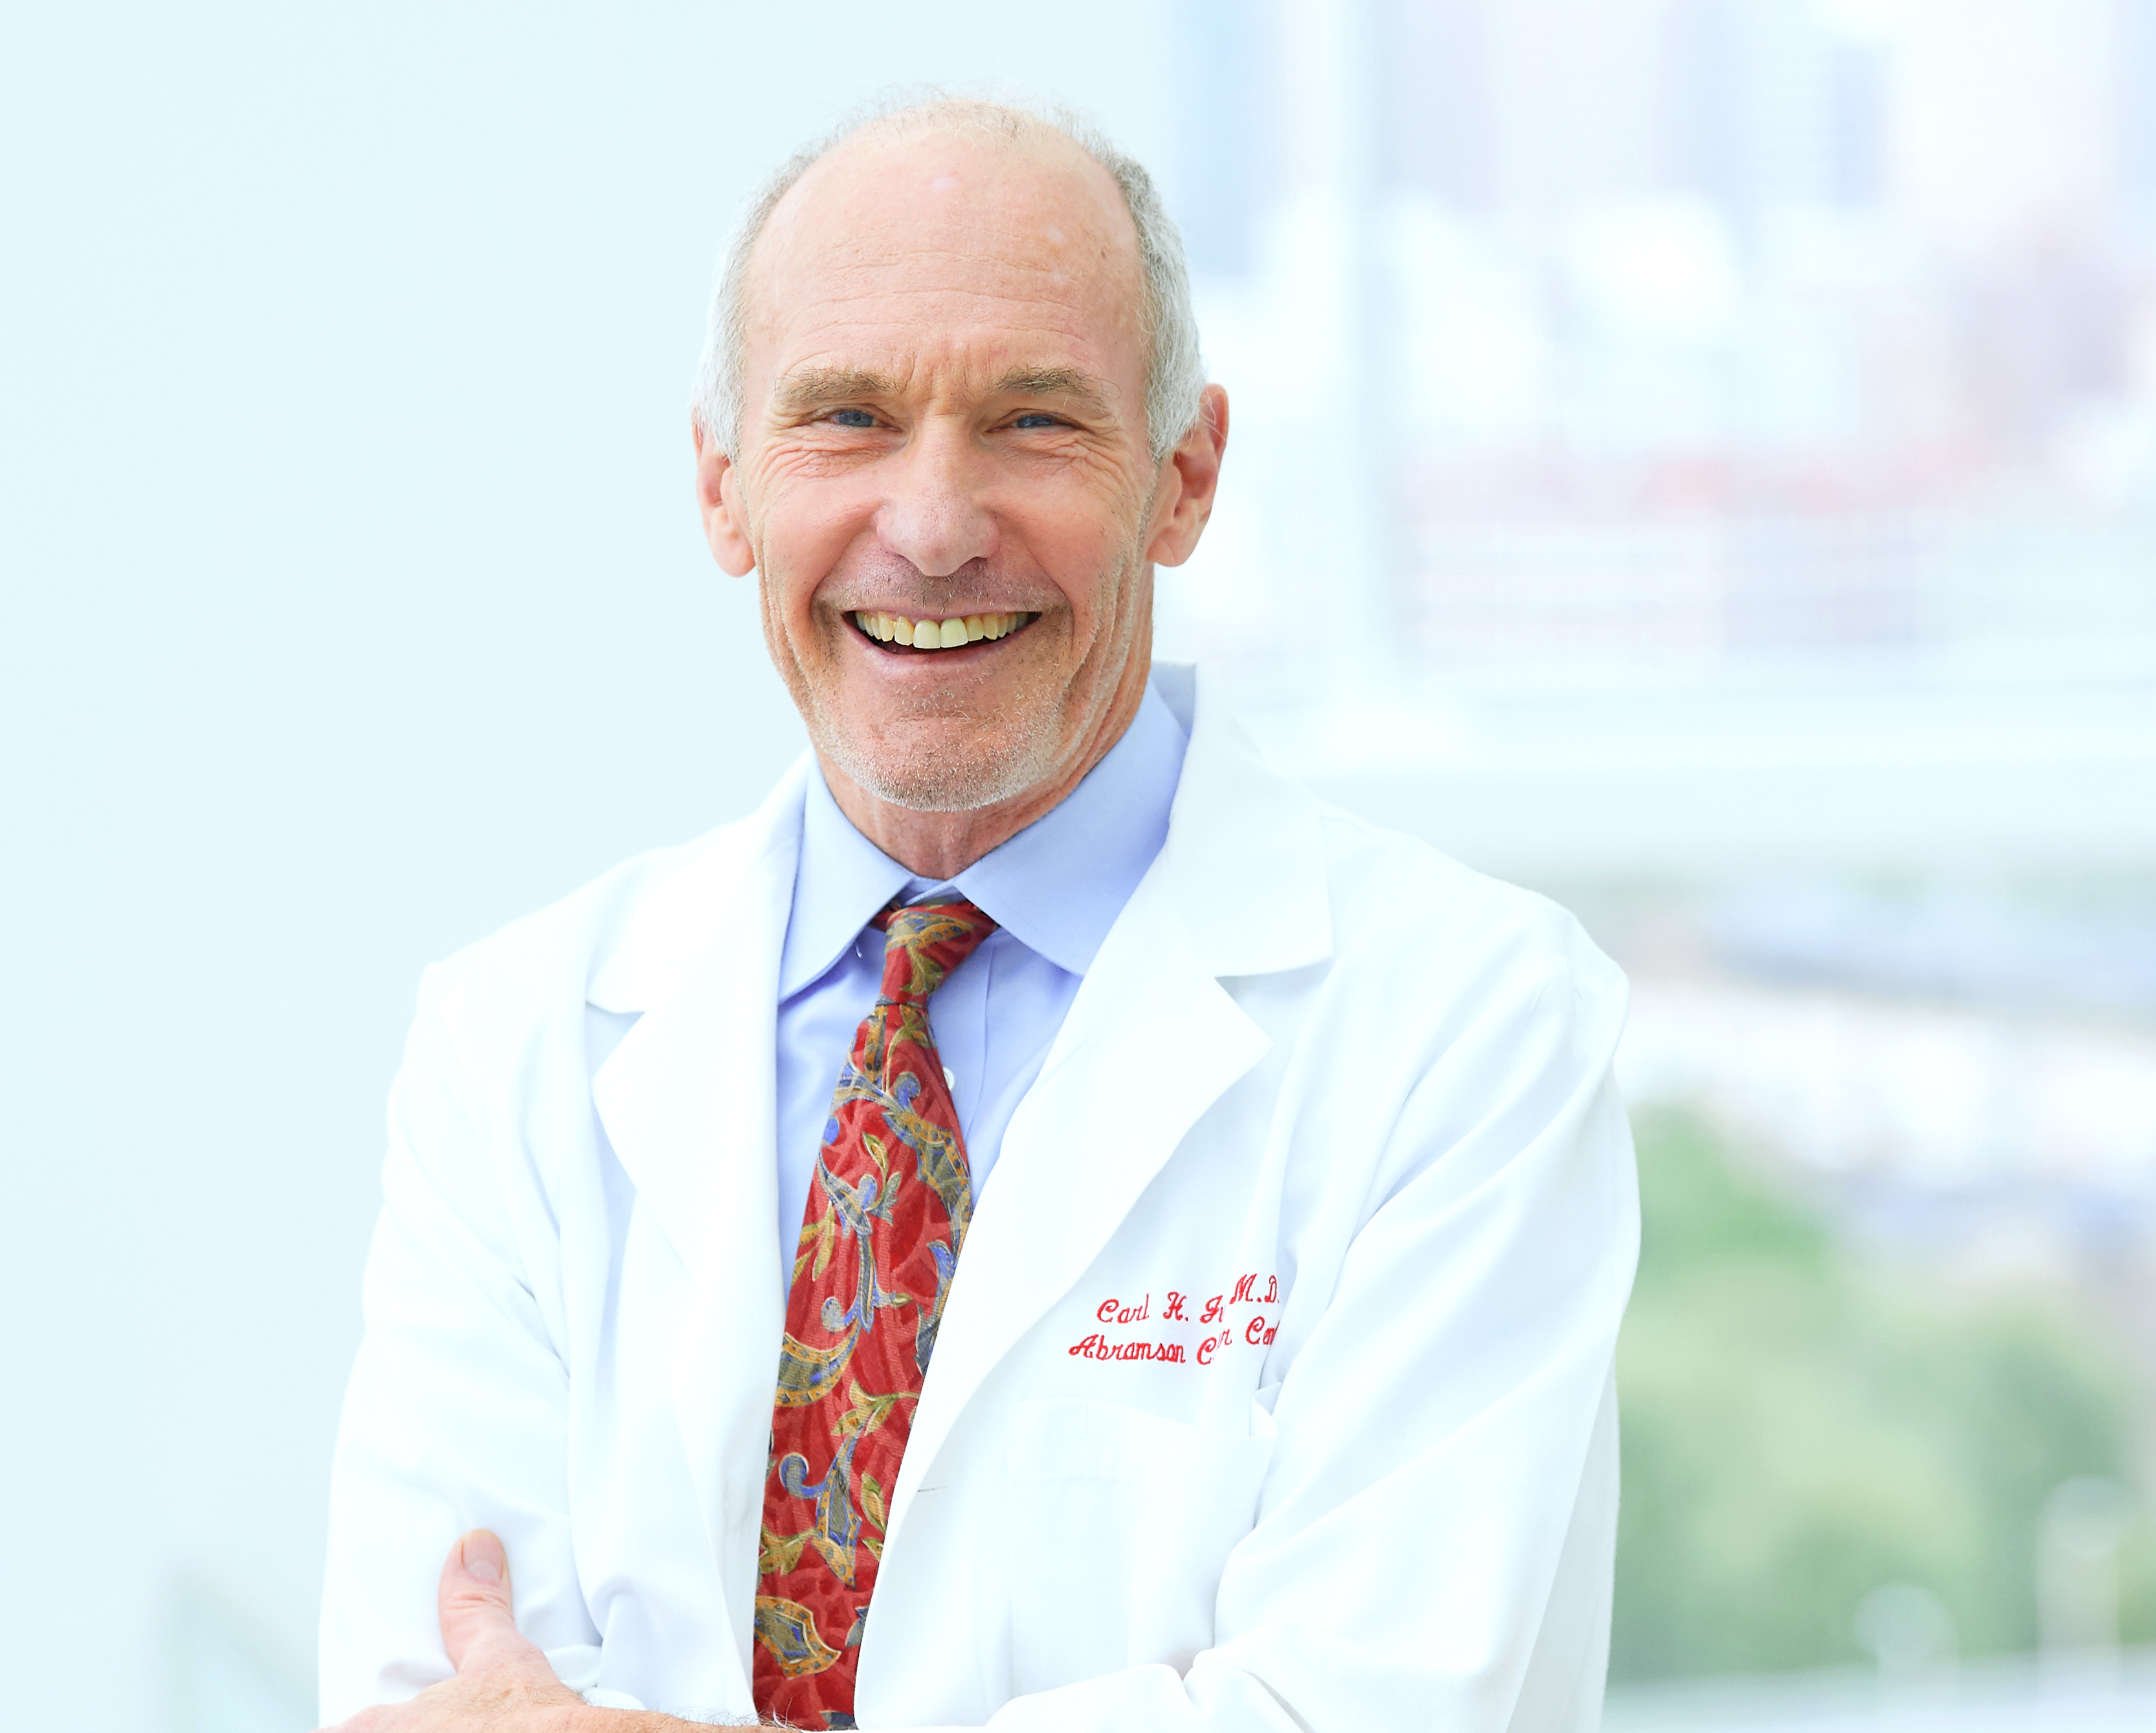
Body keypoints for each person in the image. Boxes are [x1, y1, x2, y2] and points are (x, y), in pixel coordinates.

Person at [316, 95, 1637, 1733]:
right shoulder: (512, 1038)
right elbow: (432, 1696)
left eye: (1030, 422)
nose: (933, 526)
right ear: (725, 488)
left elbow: (1355, 1707)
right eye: (847, 418)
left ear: (1185, 476)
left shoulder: (1469, 1029)